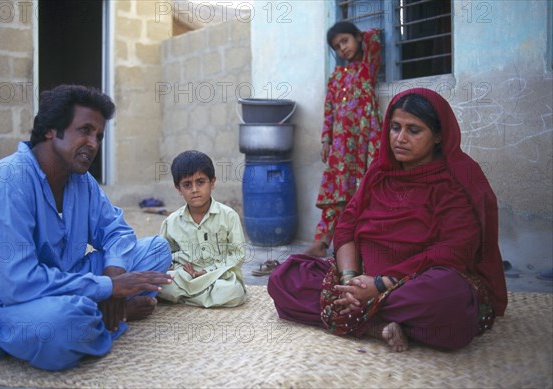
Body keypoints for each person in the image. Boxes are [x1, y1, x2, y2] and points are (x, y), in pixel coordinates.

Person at [269, 88, 507, 352]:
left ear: (438, 135)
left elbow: (453, 250)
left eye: (413, 130)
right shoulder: (380, 172)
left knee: (450, 299)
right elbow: (347, 225)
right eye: (395, 128)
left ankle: (365, 316)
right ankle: (378, 325)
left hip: (413, 282)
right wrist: (350, 280)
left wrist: (380, 285)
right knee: (284, 277)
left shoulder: (457, 179)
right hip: (361, 276)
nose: (400, 139)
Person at [0, 85, 173, 371]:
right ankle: (107, 318)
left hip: (65, 281)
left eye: (98, 136)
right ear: (50, 130)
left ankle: (97, 314)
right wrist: (106, 288)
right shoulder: (10, 179)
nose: (93, 143)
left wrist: (113, 280)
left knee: (156, 250)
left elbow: (117, 232)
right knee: (63, 324)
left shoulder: (81, 181)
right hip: (4, 305)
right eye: (84, 130)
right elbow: (16, 284)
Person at [305, 21, 383, 258]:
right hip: (340, 144)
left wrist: (359, 36)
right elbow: (329, 109)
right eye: (337, 46)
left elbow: (374, 37)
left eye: (345, 41)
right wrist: (326, 140)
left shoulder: (368, 65)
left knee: (367, 186)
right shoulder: (336, 77)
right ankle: (322, 239)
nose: (342, 48)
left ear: (357, 38)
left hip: (366, 137)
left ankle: (365, 241)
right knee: (335, 190)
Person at [158, 150, 247, 307]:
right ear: (178, 188)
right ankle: (202, 297)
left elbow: (238, 254)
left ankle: (188, 298)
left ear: (212, 182)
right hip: (186, 277)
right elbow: (163, 256)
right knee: (163, 286)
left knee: (233, 291)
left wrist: (209, 271)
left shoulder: (228, 216)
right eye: (187, 185)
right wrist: (178, 268)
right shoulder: (171, 222)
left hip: (218, 276)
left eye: (200, 182)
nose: (194, 190)